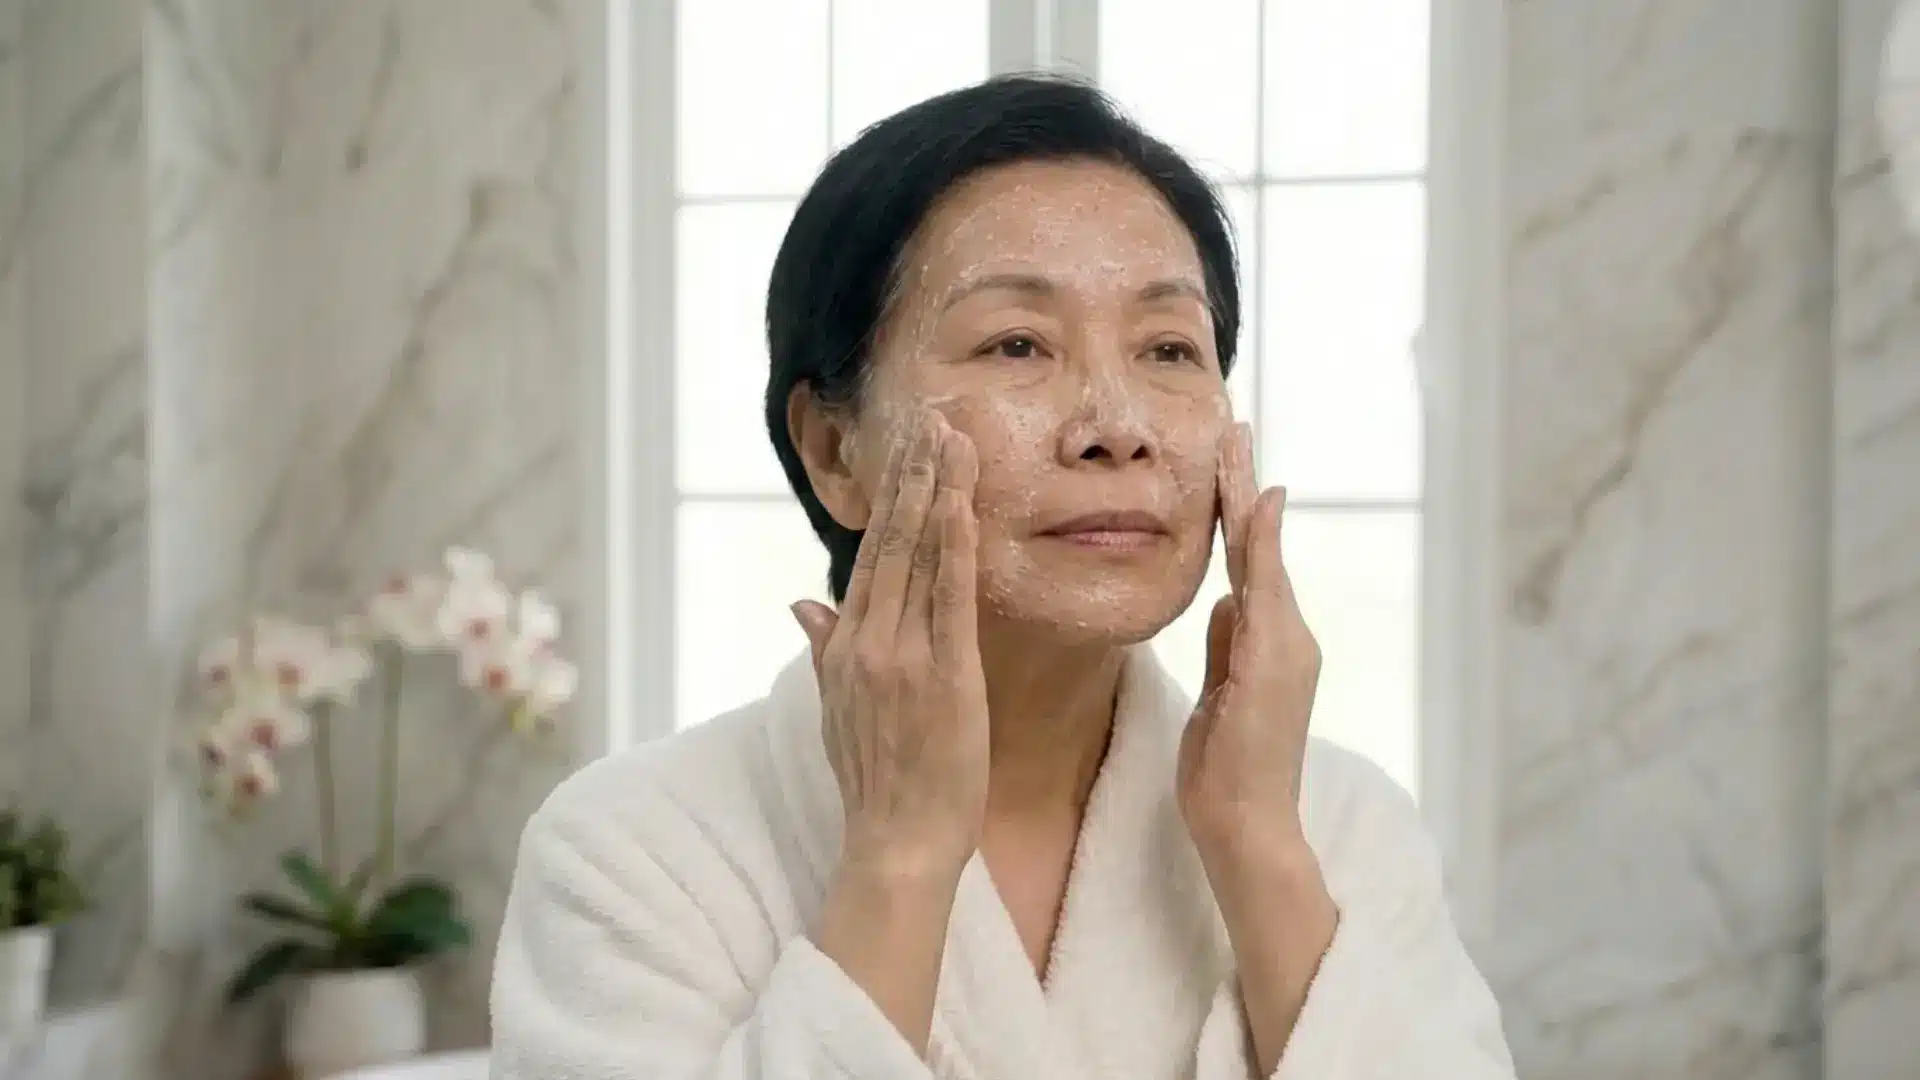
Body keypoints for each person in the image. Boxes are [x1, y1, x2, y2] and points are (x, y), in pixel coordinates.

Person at [491, 74, 1515, 1079]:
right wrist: (896, 862)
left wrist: (1258, 855)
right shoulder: (633, 853)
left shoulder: (1336, 827)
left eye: (1168, 348)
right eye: (1017, 344)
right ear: (834, 450)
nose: (1118, 428)